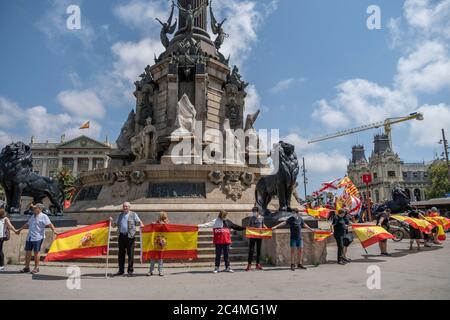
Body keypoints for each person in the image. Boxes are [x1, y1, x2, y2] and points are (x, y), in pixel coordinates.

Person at [16, 203, 58, 274]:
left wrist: (54, 230)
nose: (34, 209)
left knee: (36, 252)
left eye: (35, 208)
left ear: (40, 209)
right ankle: (27, 267)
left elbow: (50, 224)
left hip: (38, 237)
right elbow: (27, 224)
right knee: (28, 252)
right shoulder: (32, 216)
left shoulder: (44, 216)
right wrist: (19, 230)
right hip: (29, 237)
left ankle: (36, 268)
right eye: (34, 208)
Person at [110, 202, 144, 277]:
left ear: (129, 207)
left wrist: (141, 224)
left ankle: (130, 271)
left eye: (126, 206)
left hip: (130, 236)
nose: (125, 208)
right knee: (121, 254)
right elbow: (114, 225)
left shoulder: (133, 214)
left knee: (130, 254)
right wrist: (111, 221)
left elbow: (139, 222)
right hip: (121, 236)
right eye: (124, 206)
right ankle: (121, 270)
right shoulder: (120, 215)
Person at [246, 207, 267, 271]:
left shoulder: (262, 218)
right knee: (251, 250)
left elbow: (263, 225)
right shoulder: (251, 218)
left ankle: (258, 264)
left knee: (258, 250)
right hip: (252, 236)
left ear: (258, 212)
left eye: (255, 211)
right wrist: (250, 228)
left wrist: (267, 229)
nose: (254, 213)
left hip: (259, 236)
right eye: (253, 212)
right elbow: (248, 226)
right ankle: (249, 264)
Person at [147, 211, 169, 277]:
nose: (160, 217)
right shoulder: (156, 222)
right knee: (152, 257)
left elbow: (168, 230)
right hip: (155, 241)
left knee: (160, 257)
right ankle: (150, 271)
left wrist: (164, 224)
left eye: (161, 215)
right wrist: (153, 224)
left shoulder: (167, 223)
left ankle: (160, 271)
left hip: (162, 242)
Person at [0, 202, 19, 272]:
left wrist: (15, 231)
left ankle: (1, 265)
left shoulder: (5, 218)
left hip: (0, 237)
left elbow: (10, 226)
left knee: (0, 251)